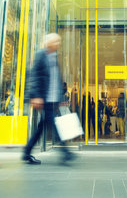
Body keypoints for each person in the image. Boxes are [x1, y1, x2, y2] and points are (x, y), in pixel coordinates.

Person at [23, 33, 74, 165]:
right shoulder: (41, 55)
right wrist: (35, 96)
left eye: (59, 41)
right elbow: (34, 76)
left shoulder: (54, 58)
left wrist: (60, 98)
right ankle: (66, 153)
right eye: (56, 41)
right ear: (48, 43)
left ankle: (26, 152)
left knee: (42, 126)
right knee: (54, 124)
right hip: (44, 98)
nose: (58, 44)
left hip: (52, 99)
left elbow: (57, 80)